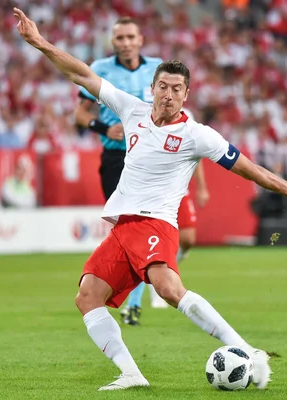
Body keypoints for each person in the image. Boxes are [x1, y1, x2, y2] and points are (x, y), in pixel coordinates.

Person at [14, 8, 287, 391]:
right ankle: (131, 373)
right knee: (87, 297)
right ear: (152, 88)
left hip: (156, 223)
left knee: (168, 289)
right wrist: (39, 42)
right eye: (163, 87)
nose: (168, 95)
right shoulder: (131, 109)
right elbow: (82, 74)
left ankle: (248, 351)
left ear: (186, 94)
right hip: (123, 226)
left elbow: (249, 168)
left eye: (176, 89)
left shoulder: (197, 135)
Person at [75, 16, 208, 324]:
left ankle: (162, 270)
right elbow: (80, 114)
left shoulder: (159, 69)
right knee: (127, 231)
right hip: (118, 159)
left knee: (187, 237)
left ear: (140, 40)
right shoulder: (101, 68)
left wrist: (200, 182)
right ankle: (134, 301)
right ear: (113, 41)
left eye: (130, 37)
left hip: (162, 158)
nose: (125, 43)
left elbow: (190, 132)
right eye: (119, 38)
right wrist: (101, 129)